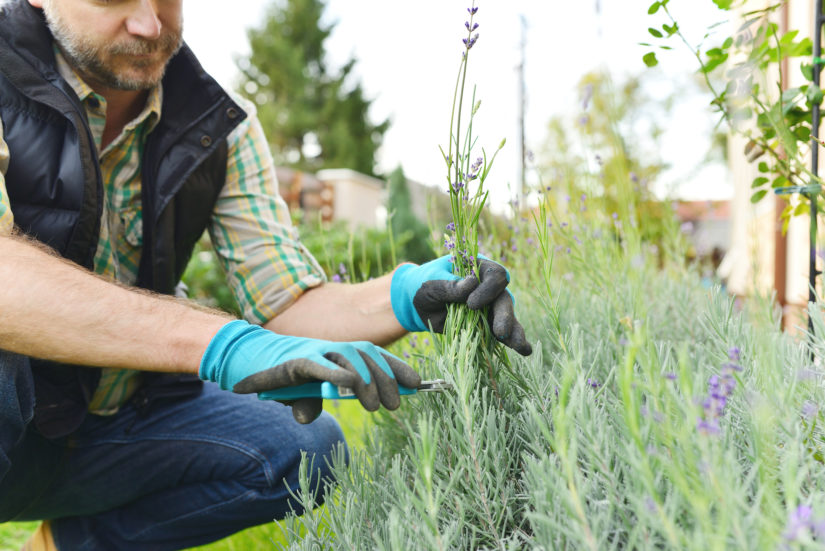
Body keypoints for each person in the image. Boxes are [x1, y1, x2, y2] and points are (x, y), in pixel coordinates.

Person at [0, 0, 532, 549]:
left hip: (114, 426)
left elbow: (287, 302)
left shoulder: (217, 121)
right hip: (12, 428)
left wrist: (405, 296)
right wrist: (224, 346)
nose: (149, 25)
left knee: (304, 449)